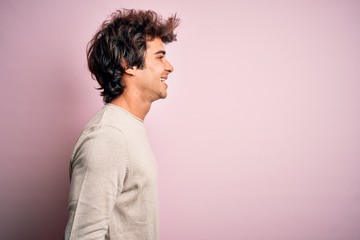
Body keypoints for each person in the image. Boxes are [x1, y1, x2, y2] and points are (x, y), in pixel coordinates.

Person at [64, 9, 180, 240]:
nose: (169, 67)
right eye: (159, 57)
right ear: (128, 64)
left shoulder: (127, 128)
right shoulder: (107, 137)